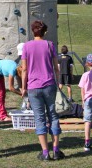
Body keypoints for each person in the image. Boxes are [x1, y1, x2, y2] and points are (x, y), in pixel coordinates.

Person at [22, 20, 65, 161]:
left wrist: (23, 87)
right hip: (49, 84)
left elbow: (24, 69)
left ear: (32, 31)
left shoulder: (26, 46)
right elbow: (56, 67)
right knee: (53, 116)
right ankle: (56, 150)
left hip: (33, 87)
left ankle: (45, 152)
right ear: (44, 31)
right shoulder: (49, 45)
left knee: (39, 118)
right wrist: (59, 82)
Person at [0, 56, 22, 121]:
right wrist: (21, 94)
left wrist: (24, 92)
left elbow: (20, 85)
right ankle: (3, 116)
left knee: (3, 93)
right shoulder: (13, 70)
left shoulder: (18, 67)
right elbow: (11, 88)